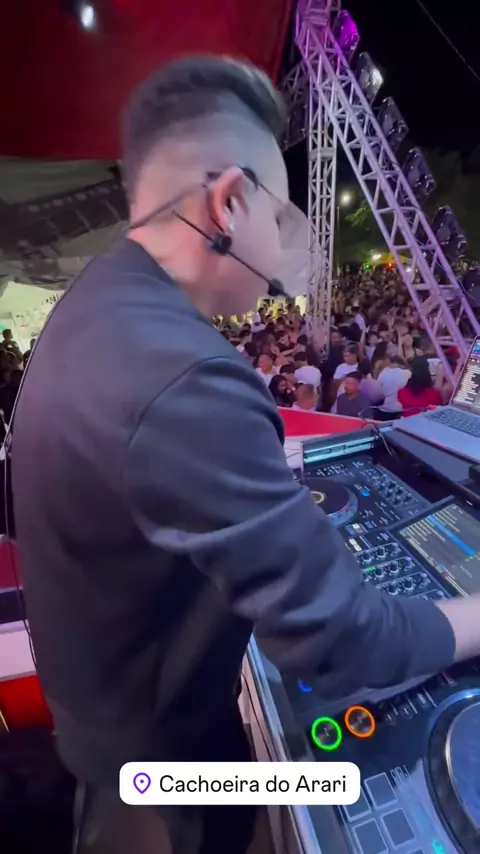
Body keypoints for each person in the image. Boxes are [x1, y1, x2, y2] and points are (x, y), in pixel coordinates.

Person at [11, 54, 480, 854]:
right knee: (331, 788)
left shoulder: (97, 304)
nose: (283, 241)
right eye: (281, 215)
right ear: (229, 202)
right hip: (166, 789)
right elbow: (347, 642)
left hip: (115, 748)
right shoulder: (185, 375)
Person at [376, 355, 411, 420]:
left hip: (385, 409)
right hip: (401, 409)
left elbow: (378, 391)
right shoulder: (408, 373)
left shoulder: (383, 373)